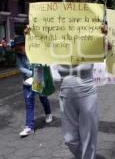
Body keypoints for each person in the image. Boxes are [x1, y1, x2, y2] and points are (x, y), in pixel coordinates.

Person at [55, 25, 110, 159]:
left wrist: (104, 37)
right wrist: (30, 36)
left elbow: (106, 50)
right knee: (70, 139)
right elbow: (38, 50)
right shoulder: (57, 33)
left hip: (87, 91)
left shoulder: (89, 34)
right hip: (66, 91)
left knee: (88, 136)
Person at [14, 35, 53, 137]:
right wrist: (32, 74)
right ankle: (29, 127)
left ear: (26, 45)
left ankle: (48, 113)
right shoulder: (18, 56)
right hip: (27, 81)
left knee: (43, 98)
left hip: (39, 79)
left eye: (20, 48)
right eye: (16, 49)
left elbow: (42, 64)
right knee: (29, 103)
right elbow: (21, 67)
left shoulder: (35, 51)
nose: (18, 51)